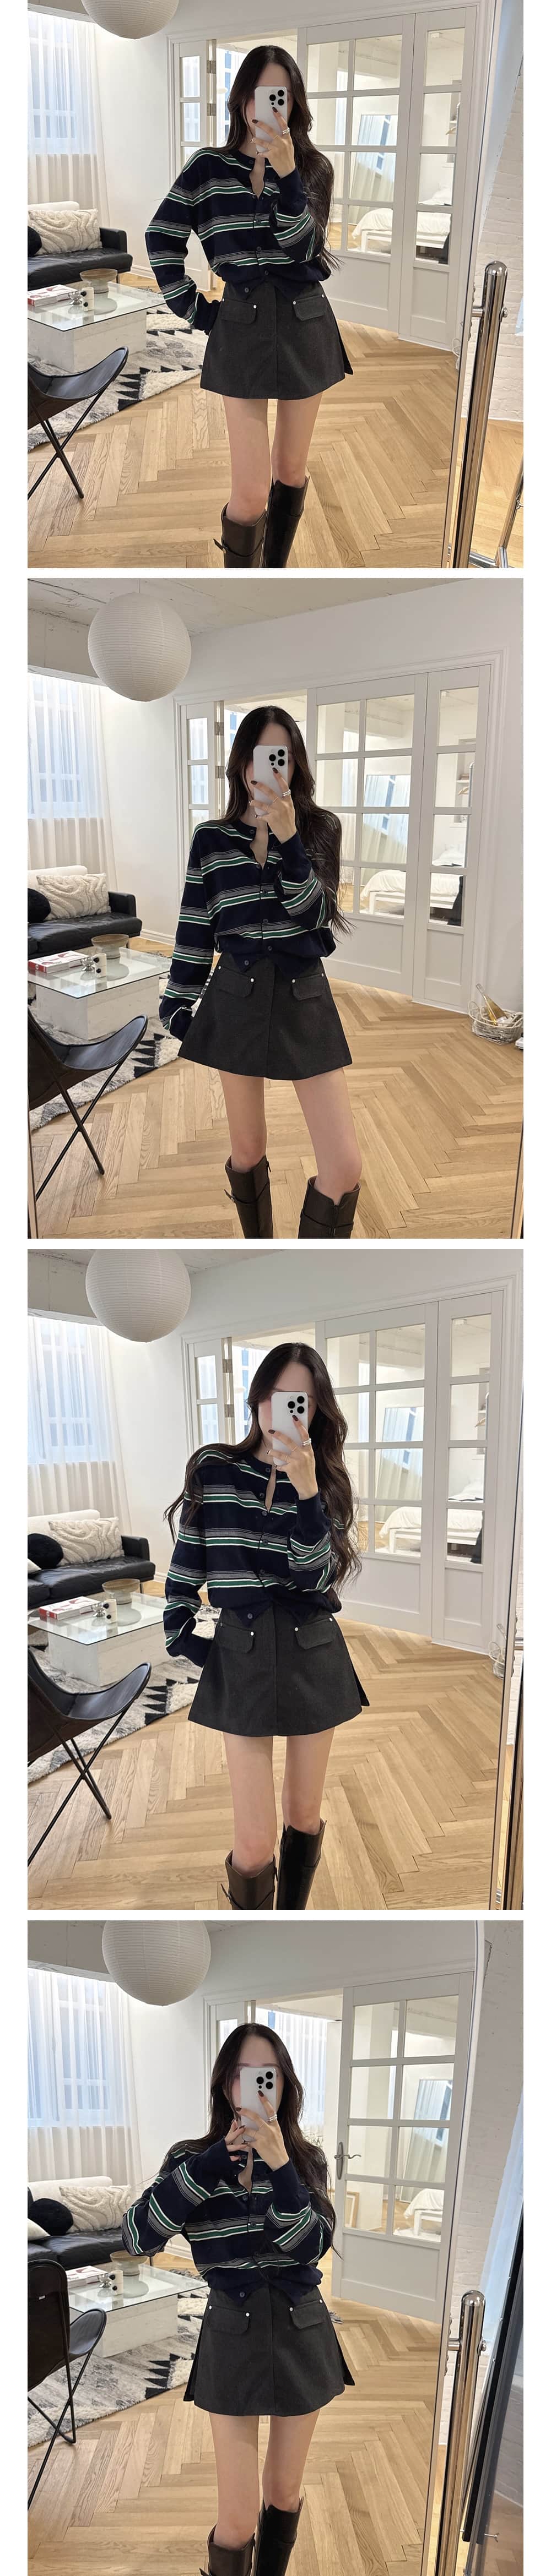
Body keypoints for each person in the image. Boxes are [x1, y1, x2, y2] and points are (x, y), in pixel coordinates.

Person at [122, 2020, 354, 2576]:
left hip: (301, 2328)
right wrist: (203, 2172)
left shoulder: (305, 2160)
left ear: (284, 2084)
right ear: (225, 2084)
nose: (254, 2086)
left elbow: (309, 2247)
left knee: (285, 2492)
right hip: (232, 2329)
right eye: (242, 2074)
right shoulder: (189, 2158)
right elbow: (137, 2238)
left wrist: (281, 2168)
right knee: (237, 2519)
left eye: (266, 2074)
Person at [165, 1340, 369, 1911]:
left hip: (313, 1649)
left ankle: (291, 1923)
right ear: (256, 1399)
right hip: (243, 1647)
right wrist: (186, 1637)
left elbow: (313, 1576)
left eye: (301, 1401)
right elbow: (187, 1564)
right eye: (277, 1397)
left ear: (316, 1410)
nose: (286, 1411)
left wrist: (306, 1493)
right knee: (253, 1845)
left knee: (303, 1814)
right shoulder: (214, 1469)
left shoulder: (325, 1483)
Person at [159, 704, 363, 1239]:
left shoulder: (321, 829)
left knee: (344, 1166)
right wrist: (177, 1001)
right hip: (236, 994)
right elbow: (196, 924)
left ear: (294, 765)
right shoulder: (210, 839)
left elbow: (315, 915)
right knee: (246, 1150)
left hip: (303, 994)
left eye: (282, 757)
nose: (269, 768)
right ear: (241, 763)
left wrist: (289, 840)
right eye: (260, 755)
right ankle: (263, 1249)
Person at [145, 43, 352, 570]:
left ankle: (273, 577)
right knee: (251, 493)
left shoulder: (314, 169)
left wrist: (288, 178)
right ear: (242, 100)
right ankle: (241, 583)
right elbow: (162, 236)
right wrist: (197, 311)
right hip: (240, 322)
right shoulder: (207, 168)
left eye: (283, 96)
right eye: (263, 94)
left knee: (291, 470)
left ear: (294, 103)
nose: (271, 106)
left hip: (306, 321)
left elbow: (303, 249)